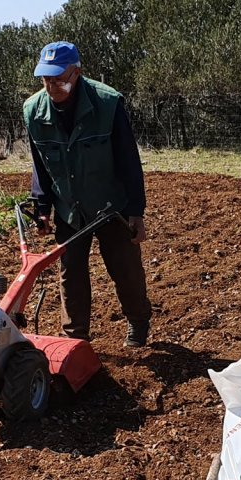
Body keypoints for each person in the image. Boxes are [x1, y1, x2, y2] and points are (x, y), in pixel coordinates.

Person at [22, 41, 153, 348]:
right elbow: (40, 164)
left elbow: (128, 162)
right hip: (70, 207)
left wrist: (136, 212)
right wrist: (42, 207)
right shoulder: (34, 111)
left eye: (58, 77)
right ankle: (75, 338)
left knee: (126, 269)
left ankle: (138, 322)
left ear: (76, 72)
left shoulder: (107, 104)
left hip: (111, 206)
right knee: (71, 275)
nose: (52, 85)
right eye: (46, 78)